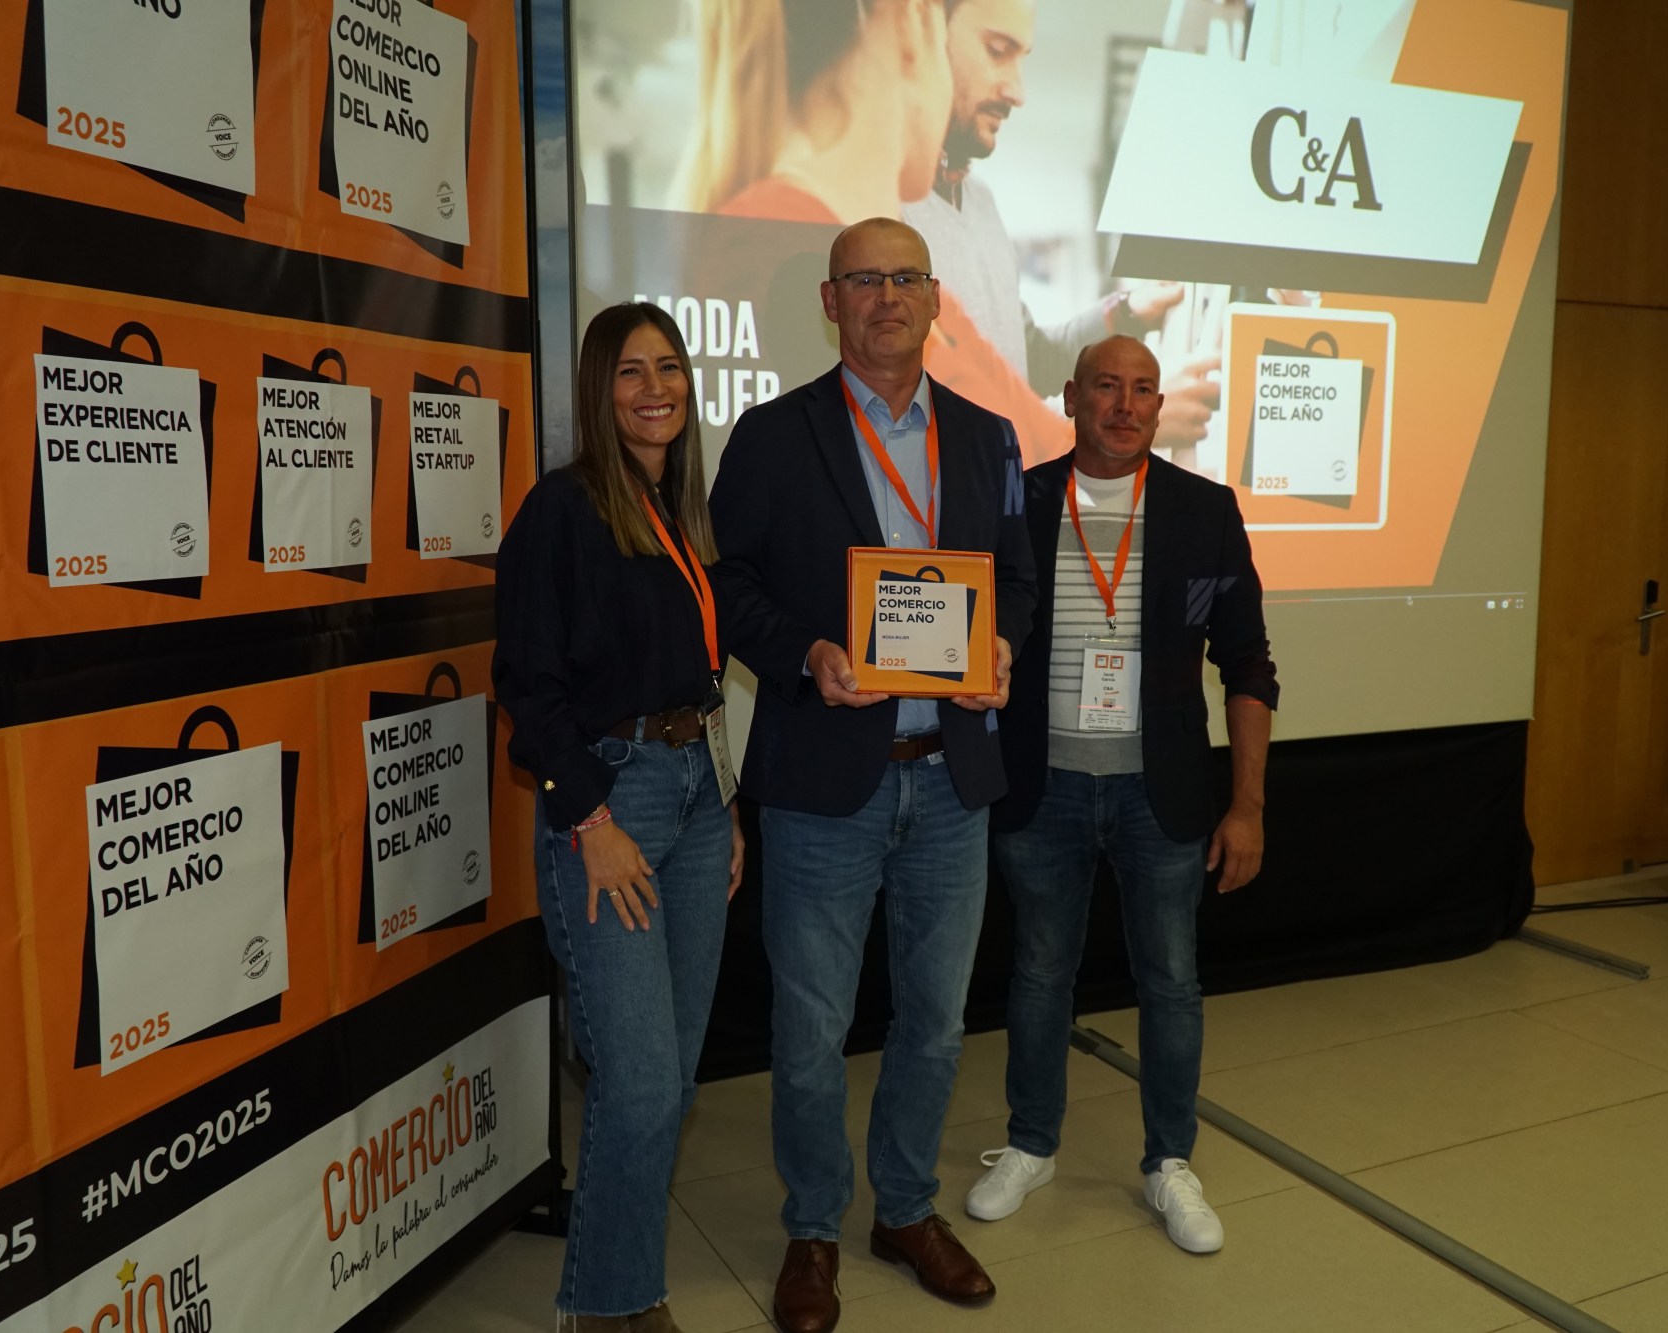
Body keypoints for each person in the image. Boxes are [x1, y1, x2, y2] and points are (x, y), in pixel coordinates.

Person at [708, 217, 1037, 1333]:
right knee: (810, 1029)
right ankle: (812, 1224)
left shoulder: (988, 437)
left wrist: (1001, 643)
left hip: (950, 777)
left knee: (935, 1021)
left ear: (936, 298)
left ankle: (903, 1209)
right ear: (829, 301)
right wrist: (804, 653)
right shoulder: (772, 434)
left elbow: (1015, 580)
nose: (886, 296)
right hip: (823, 779)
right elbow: (727, 584)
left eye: (904, 277)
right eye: (863, 279)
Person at [966, 334, 1277, 1253]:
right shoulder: (1018, 501)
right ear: (1071, 397)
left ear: (1159, 407)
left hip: (1161, 792)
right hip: (1043, 787)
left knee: (1171, 982)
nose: (1126, 405)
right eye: (1107, 386)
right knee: (1038, 974)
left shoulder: (1203, 511)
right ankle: (1032, 1144)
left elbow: (1247, 663)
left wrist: (1249, 805)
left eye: (1143, 389)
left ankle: (1169, 1161)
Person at [494, 303, 744, 1333]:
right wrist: (589, 820)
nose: (656, 388)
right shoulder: (562, 509)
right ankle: (603, 1310)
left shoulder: (677, 510)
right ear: (599, 390)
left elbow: (702, 677)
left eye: (670, 367)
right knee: (639, 1081)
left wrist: (726, 806)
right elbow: (528, 684)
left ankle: (631, 1290)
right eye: (631, 371)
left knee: (669, 1078)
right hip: (613, 799)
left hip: (696, 794)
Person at [678, 0, 1074, 464]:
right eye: (996, 50)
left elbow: (1043, 447)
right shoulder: (771, 245)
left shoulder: (916, 286)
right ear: (913, 18)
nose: (1018, 92)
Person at [901, 0, 1224, 453]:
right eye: (997, 50)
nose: (1017, 91)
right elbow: (948, 432)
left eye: (1021, 58)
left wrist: (1127, 313)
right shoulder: (880, 221)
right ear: (919, 31)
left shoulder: (980, 203)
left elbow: (1023, 359)